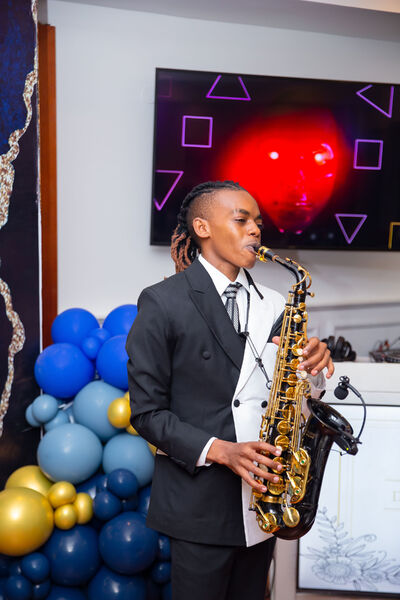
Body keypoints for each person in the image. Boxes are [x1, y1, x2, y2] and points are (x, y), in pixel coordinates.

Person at [126, 180, 333, 600]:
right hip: (198, 505)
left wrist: (314, 370)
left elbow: (295, 393)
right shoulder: (162, 301)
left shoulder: (275, 304)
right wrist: (221, 450)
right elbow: (146, 414)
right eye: (241, 220)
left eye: (257, 222)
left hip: (264, 500)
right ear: (202, 227)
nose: (255, 230)